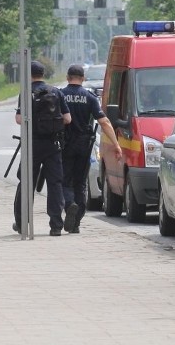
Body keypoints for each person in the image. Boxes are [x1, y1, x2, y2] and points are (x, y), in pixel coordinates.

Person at [60, 64, 122, 233]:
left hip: (65, 145)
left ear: (67, 77)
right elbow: (104, 122)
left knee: (65, 181)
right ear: (83, 79)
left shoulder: (61, 95)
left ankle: (69, 204)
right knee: (80, 184)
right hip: (84, 145)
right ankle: (77, 222)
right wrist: (116, 145)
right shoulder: (90, 97)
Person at [14, 61, 71, 237]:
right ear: (43, 74)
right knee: (55, 185)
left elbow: (18, 119)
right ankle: (56, 225)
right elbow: (67, 119)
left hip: (33, 144)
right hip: (53, 145)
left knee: (27, 183)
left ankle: (23, 222)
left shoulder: (26, 92)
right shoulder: (56, 92)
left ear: (28, 74)